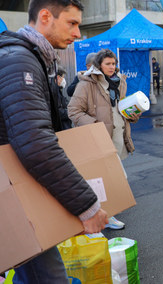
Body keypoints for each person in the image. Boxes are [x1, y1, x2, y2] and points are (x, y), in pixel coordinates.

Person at [0, 0, 108, 283]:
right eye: (72, 23)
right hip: (6, 191)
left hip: (6, 186)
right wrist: (86, 205)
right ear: (45, 16)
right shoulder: (17, 61)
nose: (78, 33)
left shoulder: (27, 57)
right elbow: (35, 144)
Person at [67, 48, 138, 230]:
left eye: (114, 63)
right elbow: (73, 111)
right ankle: (105, 217)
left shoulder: (120, 82)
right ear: (99, 65)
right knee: (107, 178)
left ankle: (104, 215)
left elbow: (118, 108)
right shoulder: (87, 83)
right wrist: (95, 126)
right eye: (108, 64)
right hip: (98, 139)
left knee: (111, 178)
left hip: (117, 136)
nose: (112, 67)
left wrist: (132, 113)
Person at [56, 66, 73, 130]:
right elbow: (58, 112)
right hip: (61, 128)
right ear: (58, 77)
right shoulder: (54, 92)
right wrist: (71, 112)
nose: (64, 80)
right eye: (63, 78)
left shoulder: (58, 90)